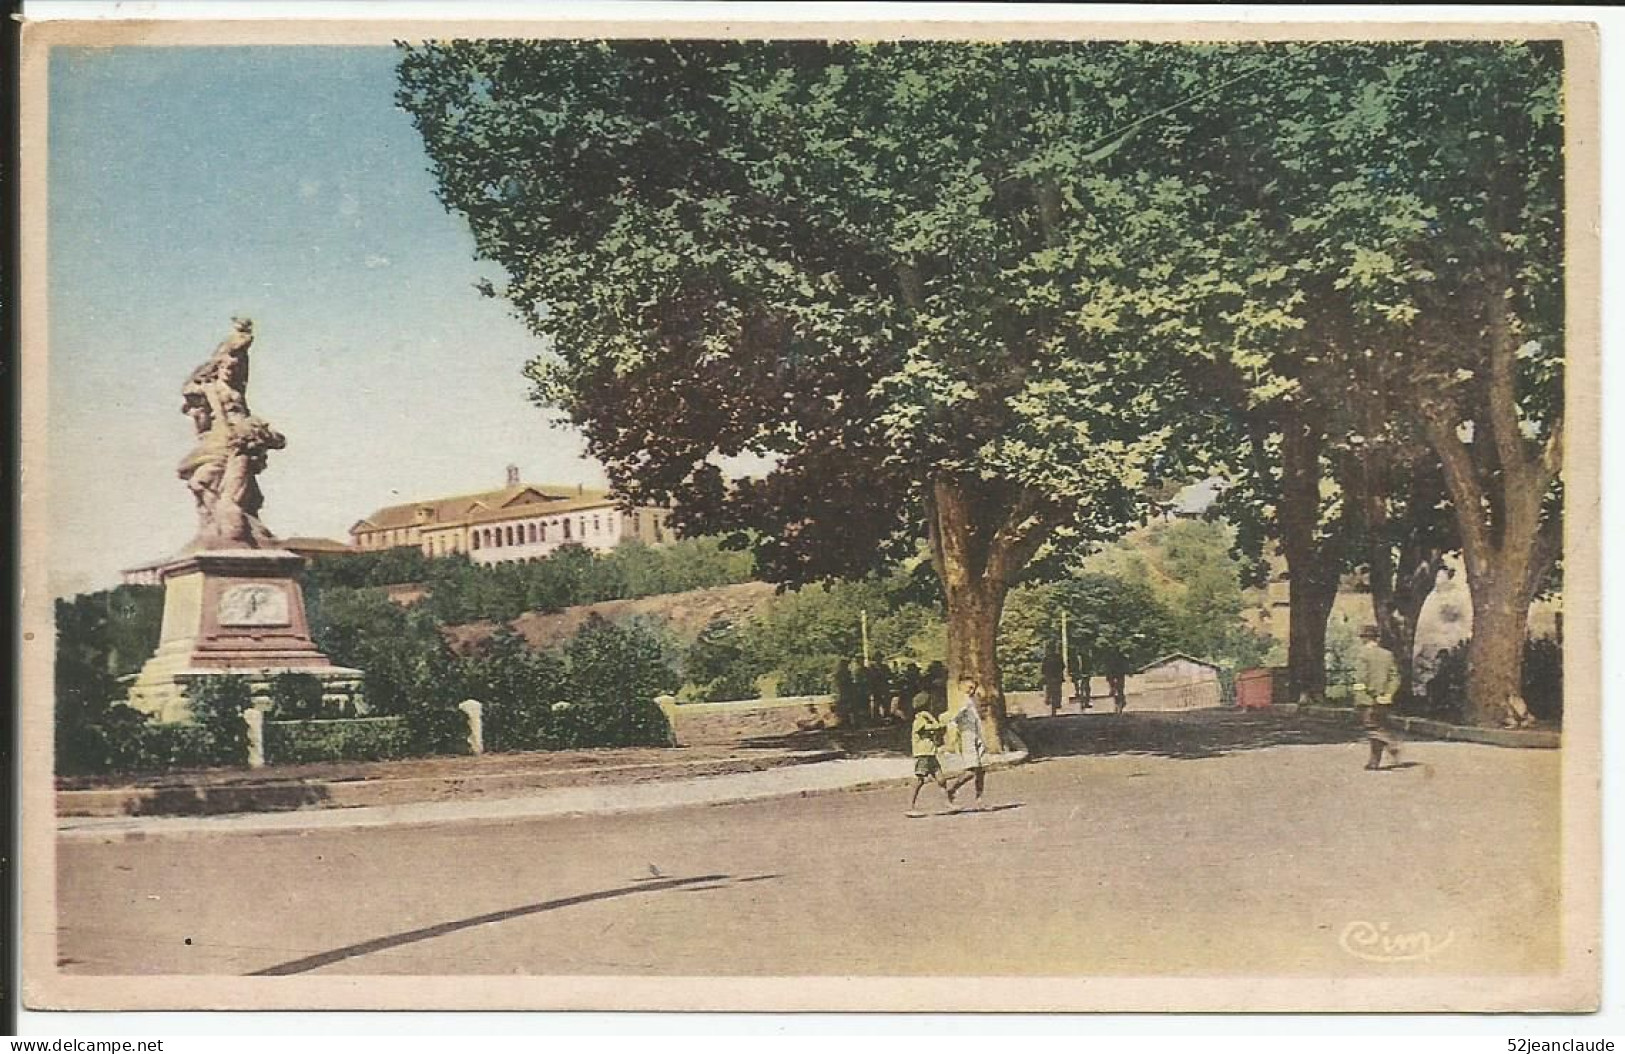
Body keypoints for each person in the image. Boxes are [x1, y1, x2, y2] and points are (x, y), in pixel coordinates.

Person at [1354, 625, 1403, 770]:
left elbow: (1362, 677)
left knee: (1371, 728)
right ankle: (1374, 762)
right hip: (1385, 699)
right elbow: (1395, 677)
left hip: (1367, 698)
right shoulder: (1387, 655)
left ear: (1364, 638)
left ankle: (1391, 743)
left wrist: (1367, 693)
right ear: (1377, 638)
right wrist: (1388, 693)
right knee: (1379, 726)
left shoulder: (1363, 654)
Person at [946, 679, 989, 807]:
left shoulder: (971, 700)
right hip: (967, 736)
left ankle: (979, 798)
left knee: (981, 769)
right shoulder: (960, 701)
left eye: (973, 688)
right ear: (961, 686)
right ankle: (952, 790)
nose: (972, 690)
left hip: (977, 735)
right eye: (969, 687)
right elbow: (953, 717)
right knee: (971, 770)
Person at [906, 696, 952, 816]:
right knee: (919, 779)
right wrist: (934, 720)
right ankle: (910, 807)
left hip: (931, 753)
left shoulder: (925, 718)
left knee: (941, 779)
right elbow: (931, 728)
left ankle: (947, 803)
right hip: (923, 754)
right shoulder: (919, 720)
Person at [1042, 644, 1065, 716]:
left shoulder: (1046, 658)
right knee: (1058, 690)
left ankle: (1048, 699)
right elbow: (1063, 666)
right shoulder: (1058, 657)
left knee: (1049, 689)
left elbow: (1043, 669)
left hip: (1050, 677)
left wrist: (1045, 674)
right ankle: (1057, 702)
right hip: (1057, 677)